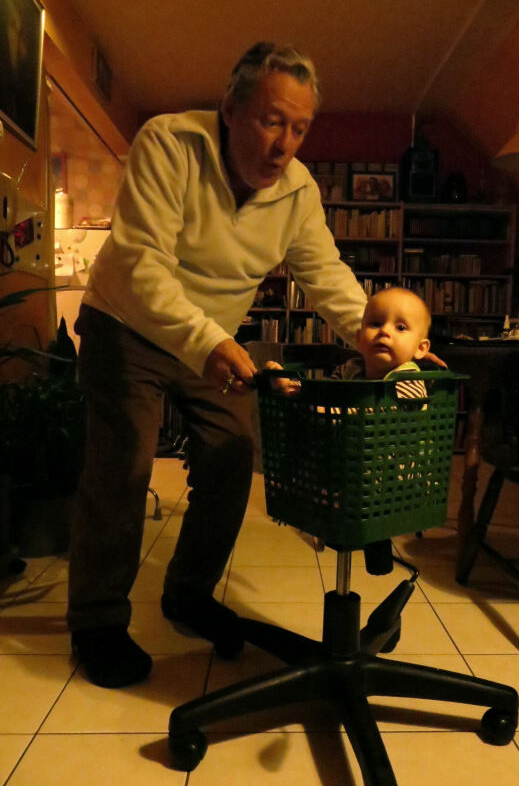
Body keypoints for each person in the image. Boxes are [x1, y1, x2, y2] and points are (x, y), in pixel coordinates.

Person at [67, 42, 370, 689]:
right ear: (230, 109)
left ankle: (188, 594)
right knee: (124, 465)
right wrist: (206, 341)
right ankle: (96, 622)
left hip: (209, 338)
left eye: (299, 128)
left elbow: (326, 275)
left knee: (234, 455)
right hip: (126, 322)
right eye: (271, 121)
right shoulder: (169, 143)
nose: (284, 145)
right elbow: (143, 265)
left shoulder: (298, 191)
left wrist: (381, 336)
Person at [267, 286, 431, 396]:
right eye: (376, 324)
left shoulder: (409, 379)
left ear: (421, 348)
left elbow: (378, 414)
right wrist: (292, 384)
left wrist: (326, 410)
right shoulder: (350, 369)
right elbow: (320, 387)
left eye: (401, 327)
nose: (384, 331)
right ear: (359, 339)